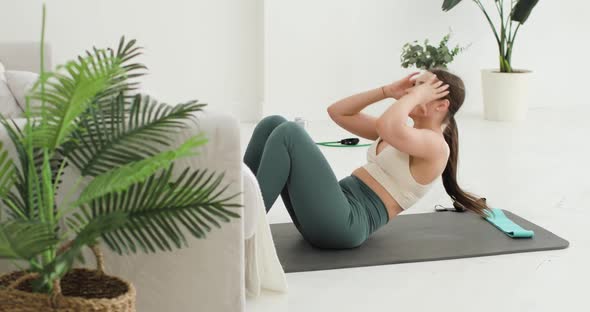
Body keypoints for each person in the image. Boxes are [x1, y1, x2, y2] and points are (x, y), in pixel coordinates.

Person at [243, 69, 489, 249]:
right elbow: (338, 112)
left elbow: (386, 124)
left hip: (346, 223)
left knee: (290, 133)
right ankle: (234, 208)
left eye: (421, 88)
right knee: (273, 123)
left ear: (441, 105)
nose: (412, 90)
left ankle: (241, 228)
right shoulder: (403, 133)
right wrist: (386, 91)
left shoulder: (436, 146)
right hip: (333, 209)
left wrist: (413, 96)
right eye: (415, 85)